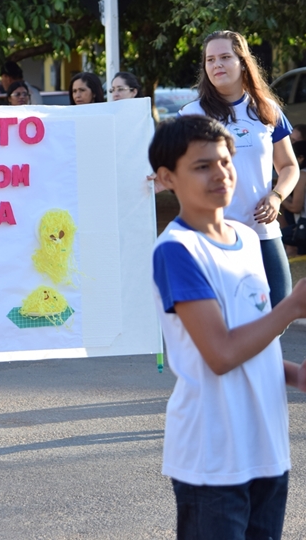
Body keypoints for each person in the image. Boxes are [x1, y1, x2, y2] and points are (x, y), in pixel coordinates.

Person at [149, 115, 306, 539]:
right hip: (213, 459)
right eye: (203, 166)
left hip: (268, 449)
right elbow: (219, 354)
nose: (221, 174)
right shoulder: (176, 250)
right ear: (167, 178)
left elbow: (251, 338)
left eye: (226, 161)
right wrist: (291, 307)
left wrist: (295, 374)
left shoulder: (247, 237)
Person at [179, 30, 298, 307]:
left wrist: (277, 196)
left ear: (243, 62)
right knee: (226, 317)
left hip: (262, 232)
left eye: (225, 57)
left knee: (279, 308)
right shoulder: (190, 115)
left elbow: (289, 165)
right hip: (214, 235)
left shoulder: (267, 110)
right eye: (210, 59)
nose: (216, 64)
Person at [280, 140, 306, 258]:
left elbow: (295, 207)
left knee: (280, 236)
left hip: (303, 227)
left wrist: (276, 195)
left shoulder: (303, 175)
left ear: (300, 158)